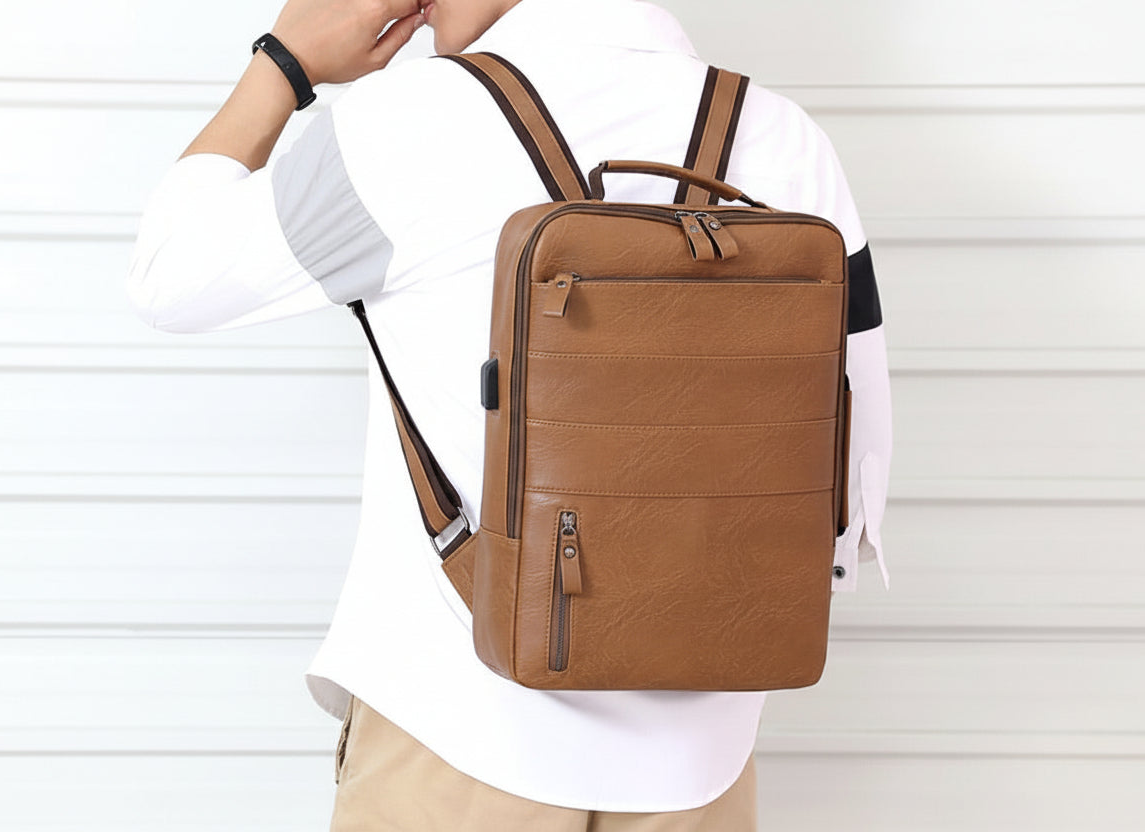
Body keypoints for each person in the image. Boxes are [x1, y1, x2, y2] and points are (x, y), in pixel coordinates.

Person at [126, 0, 892, 827]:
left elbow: (171, 275)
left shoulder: (410, 124)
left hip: (460, 747)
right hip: (703, 770)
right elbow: (853, 470)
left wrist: (285, 63)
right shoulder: (782, 137)